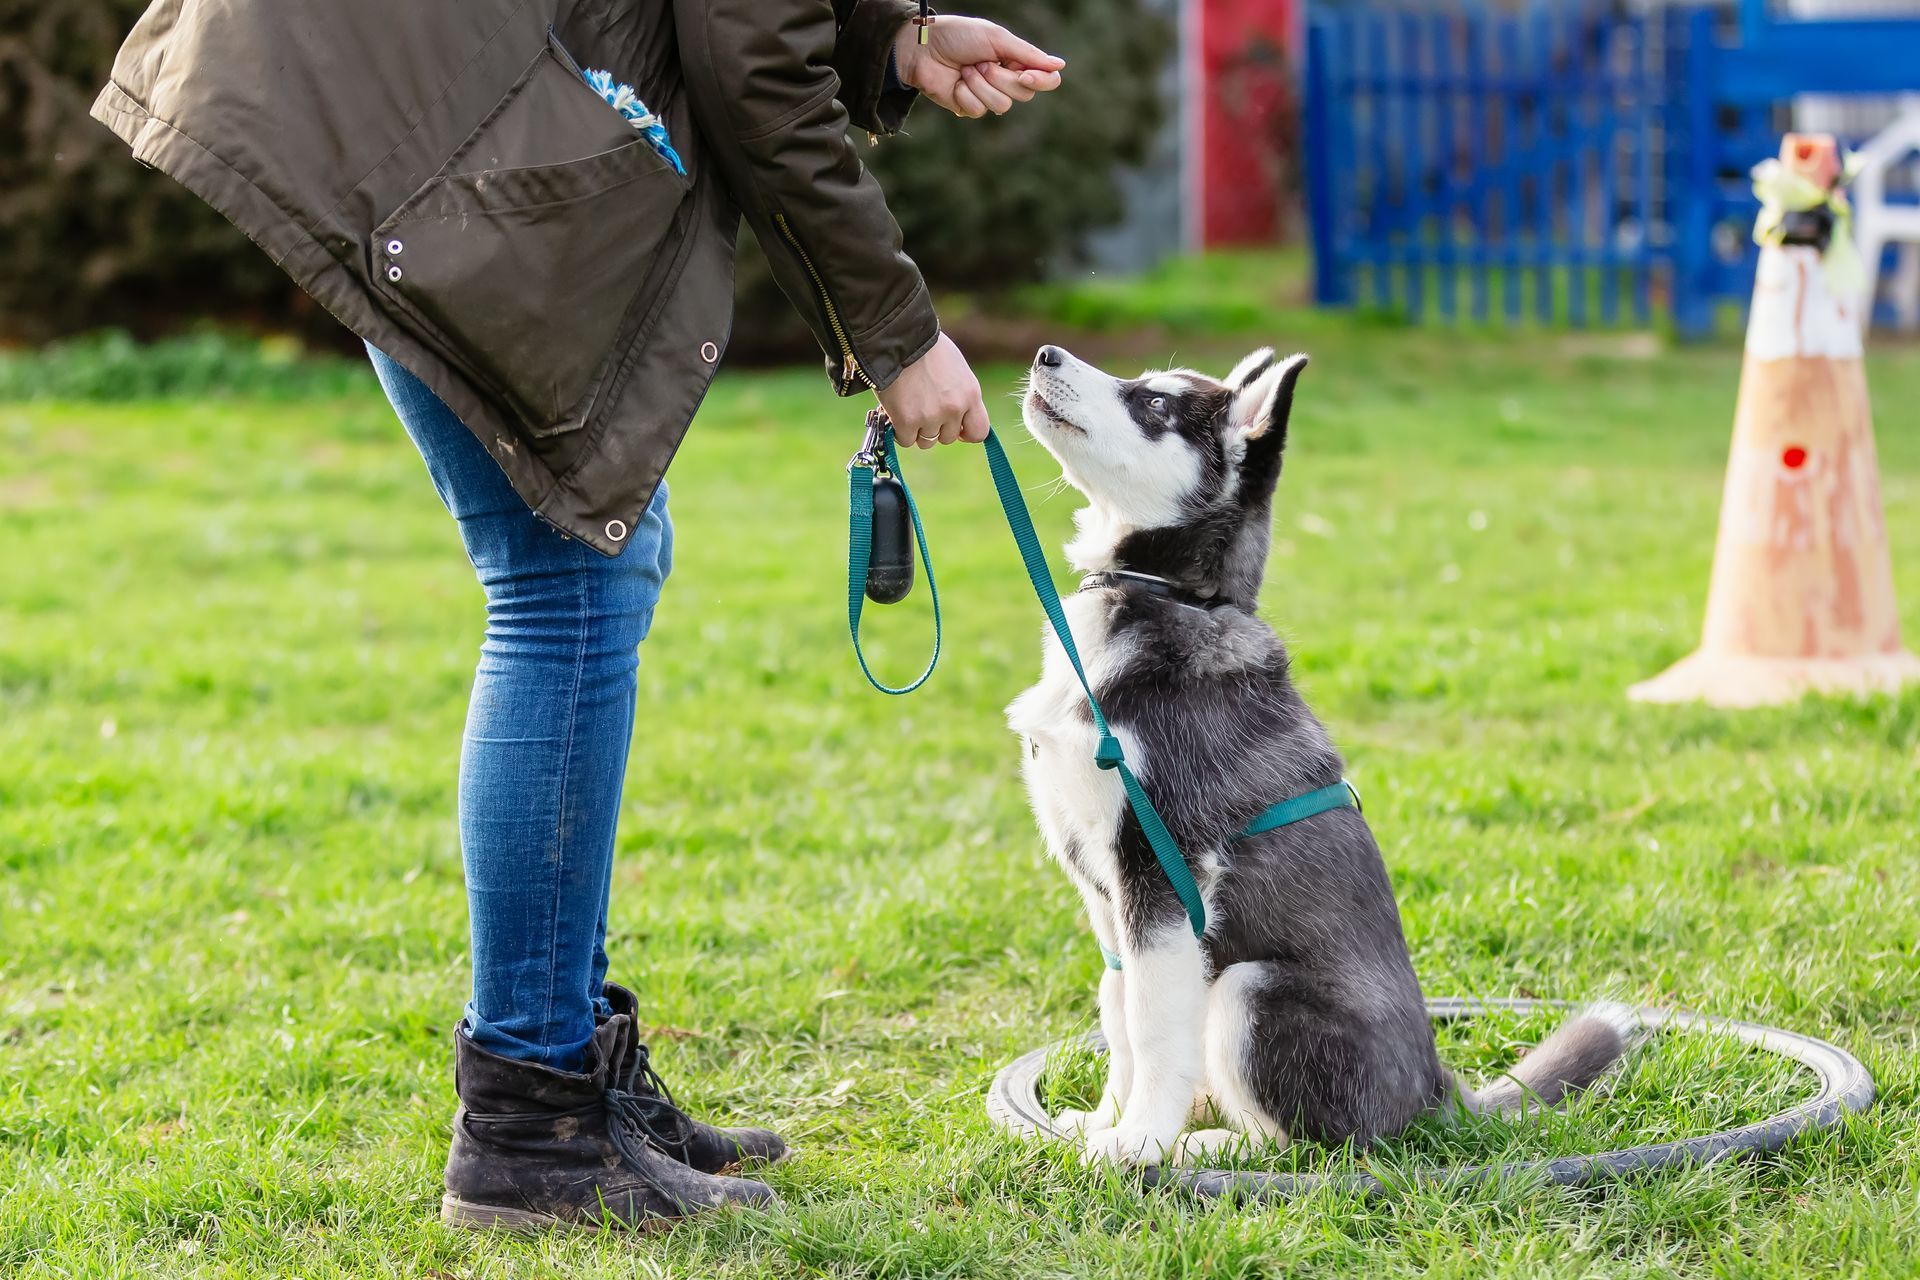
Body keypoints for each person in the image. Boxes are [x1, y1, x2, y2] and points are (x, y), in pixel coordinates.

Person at [91, 0, 1063, 1232]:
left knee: (596, 557)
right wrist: (897, 331)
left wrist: (887, 41)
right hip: (392, 94)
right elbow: (751, 56)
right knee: (565, 583)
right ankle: (528, 1125)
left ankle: (571, 1076)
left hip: (394, 76)